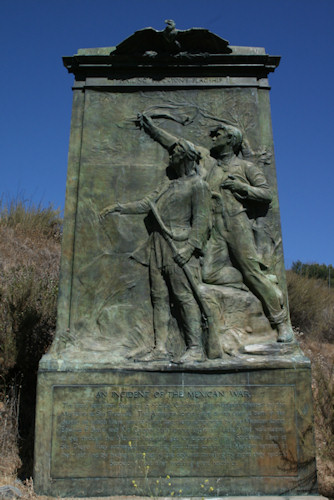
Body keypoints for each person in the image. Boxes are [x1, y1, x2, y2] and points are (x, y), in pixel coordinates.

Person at [138, 113, 294, 343]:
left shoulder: (245, 167)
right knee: (208, 274)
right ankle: (255, 280)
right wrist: (152, 130)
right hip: (213, 227)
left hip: (236, 223)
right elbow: (178, 145)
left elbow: (266, 193)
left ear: (230, 139)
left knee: (251, 272)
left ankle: (281, 323)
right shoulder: (208, 161)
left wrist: (242, 187)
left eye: (218, 135)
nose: (213, 137)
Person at [100, 138, 211, 362]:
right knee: (158, 297)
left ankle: (196, 349)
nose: (170, 154)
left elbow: (202, 221)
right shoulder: (168, 184)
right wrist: (119, 207)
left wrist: (189, 249)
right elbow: (146, 204)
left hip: (179, 245)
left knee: (184, 297)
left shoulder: (198, 185)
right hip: (158, 245)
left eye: (175, 151)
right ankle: (160, 349)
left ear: (186, 156)